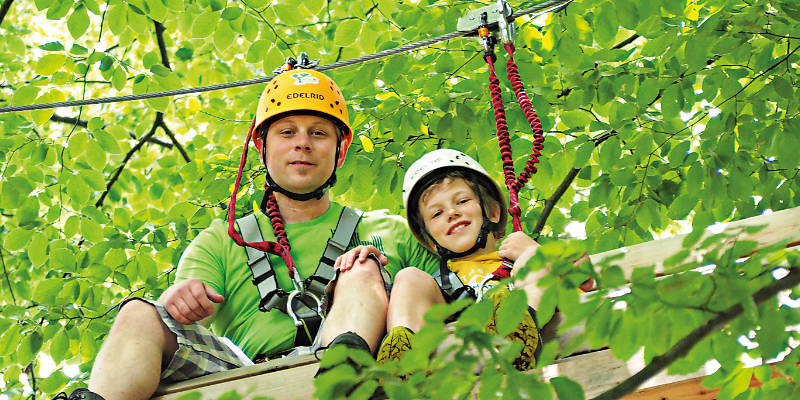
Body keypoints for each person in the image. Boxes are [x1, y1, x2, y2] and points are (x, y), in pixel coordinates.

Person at [61, 67, 438, 400]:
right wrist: (180, 299)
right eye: (287, 132)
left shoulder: (391, 232)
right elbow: (179, 321)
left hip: (356, 367)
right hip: (242, 373)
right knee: (138, 314)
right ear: (262, 148)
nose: (302, 143)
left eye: (318, 133)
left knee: (362, 268)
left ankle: (344, 376)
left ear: (340, 152)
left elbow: (460, 287)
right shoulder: (222, 240)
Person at [336, 148, 547, 371]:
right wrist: (370, 266)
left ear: (493, 211)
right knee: (408, 277)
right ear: (430, 241)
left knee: (536, 258)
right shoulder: (439, 285)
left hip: (522, 316)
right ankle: (402, 352)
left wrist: (535, 251)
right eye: (437, 213)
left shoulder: (517, 257)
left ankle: (518, 328)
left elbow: (583, 277)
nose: (451, 213)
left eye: (462, 201)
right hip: (455, 325)